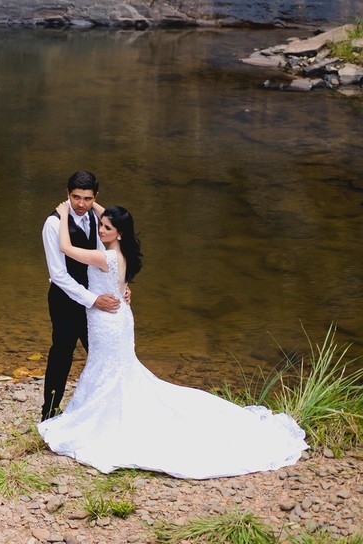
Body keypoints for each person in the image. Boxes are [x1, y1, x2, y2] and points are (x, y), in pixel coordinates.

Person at [37, 202, 308, 478]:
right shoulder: (120, 253)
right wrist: (94, 204)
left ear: (118, 233)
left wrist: (63, 214)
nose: (101, 229)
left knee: (109, 370)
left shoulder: (106, 258)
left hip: (109, 323)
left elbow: (67, 249)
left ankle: (105, 423)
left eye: (107, 227)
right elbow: (112, 235)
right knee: (110, 369)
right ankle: (101, 415)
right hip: (114, 319)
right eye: (101, 224)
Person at [41, 171, 124, 421]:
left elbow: (103, 262)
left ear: (95, 197)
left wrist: (118, 289)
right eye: (75, 197)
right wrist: (93, 299)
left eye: (87, 199)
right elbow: (58, 274)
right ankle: (50, 412)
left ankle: (106, 410)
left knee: (101, 352)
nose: (80, 204)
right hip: (65, 300)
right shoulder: (54, 224)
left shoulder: (98, 221)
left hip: (93, 300)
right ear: (67, 195)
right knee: (62, 353)